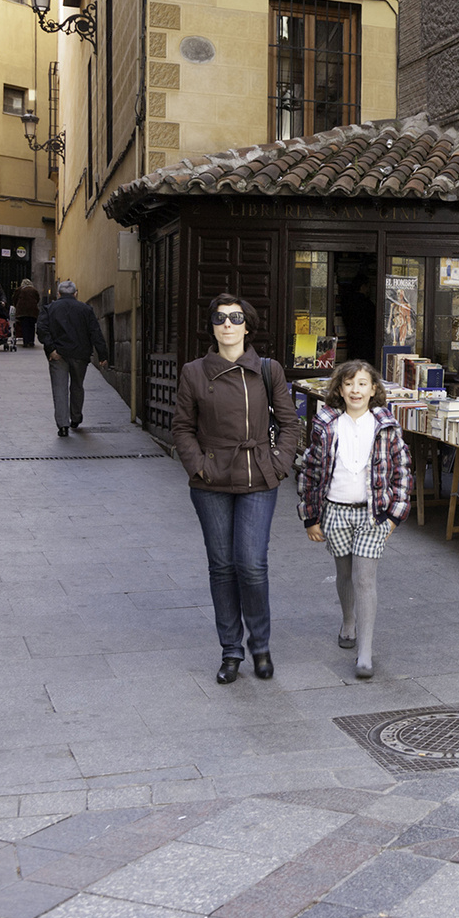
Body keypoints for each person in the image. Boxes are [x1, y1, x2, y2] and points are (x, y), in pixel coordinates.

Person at [171, 294, 300, 685]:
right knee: (222, 567)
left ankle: (260, 645)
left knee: (252, 564)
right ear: (212, 326)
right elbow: (182, 428)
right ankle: (231, 650)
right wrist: (199, 465)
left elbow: (291, 424)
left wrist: (277, 464)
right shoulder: (194, 372)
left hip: (258, 479)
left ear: (247, 326)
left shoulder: (268, 369)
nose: (228, 324)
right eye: (220, 317)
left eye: (236, 317)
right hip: (211, 482)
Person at [298, 359, 413, 680]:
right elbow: (311, 470)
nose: (355, 390)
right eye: (349, 384)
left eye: (362, 384)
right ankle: (348, 621)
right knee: (344, 573)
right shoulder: (327, 424)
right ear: (339, 389)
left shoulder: (386, 426)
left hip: (372, 513)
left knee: (365, 578)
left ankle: (365, 652)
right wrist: (310, 517)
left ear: (374, 389)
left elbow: (402, 470)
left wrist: (394, 516)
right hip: (335, 510)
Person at [35, 280, 109, 437]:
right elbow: (95, 332)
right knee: (77, 386)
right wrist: (103, 355)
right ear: (76, 294)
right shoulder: (86, 309)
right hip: (80, 355)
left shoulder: (49, 308)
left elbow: (41, 329)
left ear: (58, 294)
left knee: (59, 389)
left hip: (58, 354)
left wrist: (51, 349)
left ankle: (63, 425)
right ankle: (75, 418)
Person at [340, 273, 378, 363]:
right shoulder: (368, 304)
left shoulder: (346, 302)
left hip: (351, 340)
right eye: (368, 287)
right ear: (363, 287)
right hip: (366, 343)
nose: (369, 290)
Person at [13, 279, 41, 347]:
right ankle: (31, 341)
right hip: (33, 311)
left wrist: (16, 306)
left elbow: (14, 298)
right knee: (32, 326)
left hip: (22, 311)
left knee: (24, 326)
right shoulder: (34, 290)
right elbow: (38, 299)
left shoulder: (19, 290)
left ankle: (26, 341)